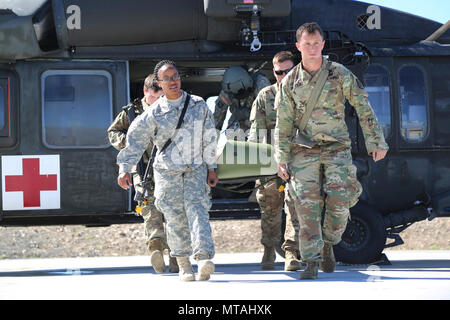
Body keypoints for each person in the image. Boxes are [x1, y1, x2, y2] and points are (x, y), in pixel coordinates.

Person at [274, 22, 388, 280]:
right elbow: (283, 123)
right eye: (307, 44)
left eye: (316, 43)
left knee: (340, 203)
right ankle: (312, 261)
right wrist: (281, 158)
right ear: (298, 46)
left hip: (336, 148)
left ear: (323, 45)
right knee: (306, 206)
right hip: (303, 150)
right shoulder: (290, 82)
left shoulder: (340, 73)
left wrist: (376, 141)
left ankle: (329, 242)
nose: (312, 48)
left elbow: (362, 106)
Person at [116, 60, 218, 282]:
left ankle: (203, 259)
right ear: (158, 83)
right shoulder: (153, 113)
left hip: (194, 169)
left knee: (198, 212)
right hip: (167, 172)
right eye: (167, 78)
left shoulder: (198, 105)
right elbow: (135, 140)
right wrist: (125, 168)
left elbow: (210, 137)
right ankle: (183, 264)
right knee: (174, 217)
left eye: (175, 76)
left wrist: (212, 167)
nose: (173, 81)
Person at [107, 74, 178, 274]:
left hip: (169, 168)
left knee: (173, 210)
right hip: (143, 169)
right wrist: (133, 143)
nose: (160, 100)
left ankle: (176, 254)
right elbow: (113, 133)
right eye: (156, 96)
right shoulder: (131, 113)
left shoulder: (171, 109)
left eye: (163, 95)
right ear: (147, 92)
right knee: (149, 209)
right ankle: (156, 245)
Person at [248, 51, 301, 271]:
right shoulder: (265, 96)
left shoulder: (306, 94)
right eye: (279, 72)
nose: (283, 75)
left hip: (299, 160)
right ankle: (269, 250)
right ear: (274, 72)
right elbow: (256, 132)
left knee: (295, 207)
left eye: (288, 71)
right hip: (271, 162)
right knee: (270, 209)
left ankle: (291, 253)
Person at [213, 65, 270, 136]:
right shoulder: (227, 91)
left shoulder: (261, 83)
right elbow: (217, 118)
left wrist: (249, 114)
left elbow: (270, 114)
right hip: (238, 120)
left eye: (240, 93)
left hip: (259, 121)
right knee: (231, 131)